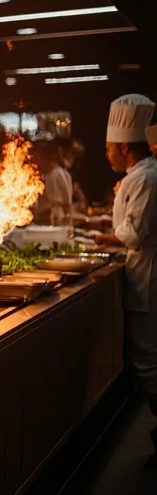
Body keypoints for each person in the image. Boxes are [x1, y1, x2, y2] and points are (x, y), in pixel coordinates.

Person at [94, 93, 157, 468]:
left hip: (149, 273)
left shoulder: (146, 178)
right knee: (147, 358)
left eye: (108, 148)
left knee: (149, 360)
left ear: (122, 145)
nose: (106, 155)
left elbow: (132, 234)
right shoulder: (138, 176)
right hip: (142, 271)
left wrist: (101, 236)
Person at [32, 140, 74, 226]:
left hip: (57, 221)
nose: (37, 164)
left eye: (38, 159)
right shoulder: (55, 173)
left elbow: (57, 205)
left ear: (45, 159)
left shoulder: (56, 175)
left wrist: (36, 213)